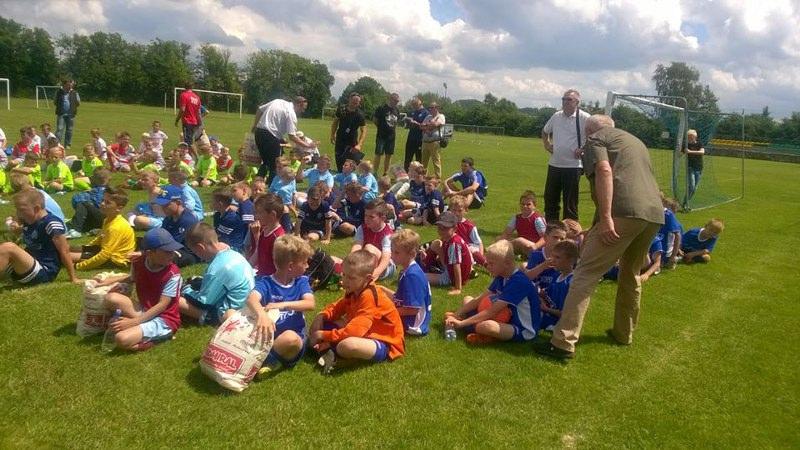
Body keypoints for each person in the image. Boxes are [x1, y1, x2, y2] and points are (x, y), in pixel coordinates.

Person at [535, 114, 664, 360]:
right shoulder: (635, 141)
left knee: (585, 273)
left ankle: (562, 343)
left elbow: (604, 171)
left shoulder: (596, 140)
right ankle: (623, 333)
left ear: (589, 131)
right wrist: (596, 225)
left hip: (622, 212)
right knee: (630, 273)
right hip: (654, 214)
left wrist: (605, 218)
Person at [309, 249, 405, 375]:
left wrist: (322, 335)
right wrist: (322, 316)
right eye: (344, 274)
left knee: (347, 345)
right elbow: (337, 307)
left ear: (367, 278)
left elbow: (353, 332)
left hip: (384, 341)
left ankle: (338, 357)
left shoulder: (369, 296)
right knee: (324, 321)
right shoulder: (355, 288)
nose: (344, 280)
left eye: (351, 278)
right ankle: (329, 350)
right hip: (365, 331)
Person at [96, 228, 183, 351]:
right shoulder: (138, 262)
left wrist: (134, 322)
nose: (172, 255)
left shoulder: (172, 274)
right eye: (167, 251)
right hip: (145, 309)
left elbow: (162, 305)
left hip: (164, 318)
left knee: (121, 339)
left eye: (172, 251)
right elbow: (133, 278)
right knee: (111, 298)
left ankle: (163, 336)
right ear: (150, 253)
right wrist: (114, 283)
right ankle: (135, 327)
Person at [444, 239, 541, 345]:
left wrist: (462, 323)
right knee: (467, 299)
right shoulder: (501, 276)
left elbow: (492, 311)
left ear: (507, 263)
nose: (488, 267)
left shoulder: (518, 282)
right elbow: (479, 299)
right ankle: (474, 326)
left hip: (521, 328)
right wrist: (456, 314)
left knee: (486, 326)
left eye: (491, 264)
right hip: (506, 317)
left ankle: (482, 332)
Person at [245, 235, 316, 374]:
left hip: (291, 340)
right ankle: (259, 359)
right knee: (229, 314)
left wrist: (282, 305)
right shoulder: (266, 282)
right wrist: (262, 315)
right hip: (268, 337)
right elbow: (251, 299)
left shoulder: (301, 281)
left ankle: (266, 361)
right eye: (304, 262)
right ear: (291, 266)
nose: (307, 266)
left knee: (290, 338)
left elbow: (310, 303)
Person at [179, 223, 255, 326]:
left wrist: (185, 289)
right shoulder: (233, 253)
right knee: (200, 281)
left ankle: (207, 317)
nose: (198, 256)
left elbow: (203, 302)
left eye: (196, 252)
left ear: (200, 248)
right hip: (250, 302)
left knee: (178, 302)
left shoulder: (216, 269)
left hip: (232, 312)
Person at [0, 189, 78, 285]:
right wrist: (17, 229)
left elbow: (64, 251)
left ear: (37, 208)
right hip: (30, 265)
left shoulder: (51, 223)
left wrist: (73, 278)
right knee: (5, 249)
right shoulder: (30, 221)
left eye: (21, 210)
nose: (18, 213)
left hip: (44, 270)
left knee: (8, 248)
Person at [541, 89, 590, 222]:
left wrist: (583, 149)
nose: (565, 102)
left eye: (569, 99)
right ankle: (552, 229)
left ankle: (570, 231)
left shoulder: (585, 118)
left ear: (577, 102)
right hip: (555, 164)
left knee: (570, 203)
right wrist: (547, 144)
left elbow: (596, 137)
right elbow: (545, 131)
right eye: (563, 99)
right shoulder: (556, 116)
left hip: (573, 166)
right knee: (550, 199)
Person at [251, 96, 315, 184]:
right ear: (299, 104)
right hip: (271, 136)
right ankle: (272, 189)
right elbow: (292, 136)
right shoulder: (291, 113)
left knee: (265, 162)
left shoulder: (277, 101)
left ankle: (257, 185)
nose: (302, 111)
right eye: (303, 108)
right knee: (275, 166)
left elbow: (260, 110)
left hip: (259, 132)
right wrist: (308, 145)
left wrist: (255, 125)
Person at [70, 187, 135, 271]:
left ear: (119, 208)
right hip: (106, 251)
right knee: (67, 250)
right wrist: (86, 247)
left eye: (107, 202)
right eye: (102, 200)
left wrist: (78, 266)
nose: (102, 204)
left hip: (115, 259)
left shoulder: (116, 227)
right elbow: (100, 238)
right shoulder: (108, 219)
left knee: (66, 256)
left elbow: (105, 255)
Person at [385, 229, 432, 336]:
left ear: (411, 253)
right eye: (392, 251)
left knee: (374, 316)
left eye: (396, 252)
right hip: (408, 316)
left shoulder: (412, 275)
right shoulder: (409, 270)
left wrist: (387, 312)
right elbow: (401, 298)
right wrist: (380, 289)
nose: (392, 255)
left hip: (412, 323)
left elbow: (412, 310)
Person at [424, 211, 473, 296]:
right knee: (436, 244)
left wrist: (458, 288)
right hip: (450, 270)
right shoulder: (451, 238)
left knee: (420, 277)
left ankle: (423, 267)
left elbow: (456, 266)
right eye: (439, 228)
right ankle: (425, 264)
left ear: (455, 228)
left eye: (445, 228)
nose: (441, 231)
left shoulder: (454, 244)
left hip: (450, 277)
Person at [154, 185, 200, 267]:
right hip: (171, 247)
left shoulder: (188, 220)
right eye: (162, 205)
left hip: (187, 253)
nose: (163, 208)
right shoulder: (169, 218)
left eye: (166, 205)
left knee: (164, 255)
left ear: (178, 202)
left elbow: (175, 243)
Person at [538, 240, 579, 330]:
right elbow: (547, 294)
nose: (553, 260)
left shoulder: (571, 282)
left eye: (557, 257)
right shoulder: (557, 275)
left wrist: (545, 309)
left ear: (571, 260)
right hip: (547, 311)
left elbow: (566, 314)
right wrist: (539, 293)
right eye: (552, 256)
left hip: (554, 319)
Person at [351, 199, 395, 281]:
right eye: (365, 215)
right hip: (368, 262)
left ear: (383, 218)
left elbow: (386, 257)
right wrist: (350, 261)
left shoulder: (387, 234)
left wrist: (376, 273)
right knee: (337, 260)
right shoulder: (362, 228)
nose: (366, 219)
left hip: (386, 267)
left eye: (371, 217)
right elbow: (357, 246)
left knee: (369, 247)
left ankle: (366, 275)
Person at [498, 190, 547, 256]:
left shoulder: (537, 219)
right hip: (523, 245)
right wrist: (500, 241)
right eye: (523, 204)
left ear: (534, 206)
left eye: (528, 204)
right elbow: (506, 233)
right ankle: (496, 250)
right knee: (499, 239)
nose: (525, 206)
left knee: (519, 240)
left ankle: (499, 251)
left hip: (536, 247)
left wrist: (535, 247)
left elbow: (545, 238)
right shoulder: (516, 217)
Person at [247, 192, 285, 276]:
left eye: (259, 213)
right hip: (261, 275)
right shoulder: (264, 230)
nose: (256, 216)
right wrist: (246, 269)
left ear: (272, 215)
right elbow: (258, 252)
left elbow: (281, 268)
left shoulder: (278, 238)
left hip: (270, 280)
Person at [524, 222, 568, 290]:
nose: (558, 241)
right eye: (555, 237)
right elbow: (526, 278)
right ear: (545, 237)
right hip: (536, 292)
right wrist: (543, 266)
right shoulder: (536, 255)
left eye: (562, 239)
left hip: (554, 293)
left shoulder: (565, 258)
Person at [330, 92, 367, 172]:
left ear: (359, 103)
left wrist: (359, 144)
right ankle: (341, 175)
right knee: (339, 162)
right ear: (349, 99)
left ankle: (349, 178)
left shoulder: (360, 114)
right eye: (353, 101)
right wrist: (332, 134)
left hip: (352, 141)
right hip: (340, 139)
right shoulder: (341, 109)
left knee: (350, 164)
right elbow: (335, 122)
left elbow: (364, 130)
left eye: (357, 102)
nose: (355, 103)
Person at [68, 169, 110, 236]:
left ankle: (76, 230)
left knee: (82, 202)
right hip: (103, 218)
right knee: (84, 204)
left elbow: (75, 199)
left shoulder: (100, 191)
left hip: (104, 219)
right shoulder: (107, 190)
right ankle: (77, 224)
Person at [372, 93, 400, 176]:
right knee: (378, 154)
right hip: (381, 136)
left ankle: (385, 173)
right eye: (395, 101)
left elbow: (396, 122)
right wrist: (381, 128)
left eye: (398, 101)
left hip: (391, 137)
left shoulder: (397, 110)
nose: (397, 102)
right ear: (390, 99)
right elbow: (375, 120)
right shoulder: (381, 108)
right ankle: (375, 173)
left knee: (389, 155)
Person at [174, 81, 202, 159]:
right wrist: (199, 122)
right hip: (195, 121)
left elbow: (182, 109)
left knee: (188, 142)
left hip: (187, 121)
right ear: (192, 87)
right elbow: (198, 112)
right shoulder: (197, 97)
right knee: (189, 140)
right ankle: (188, 157)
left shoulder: (184, 95)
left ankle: (197, 158)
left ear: (184, 87)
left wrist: (177, 120)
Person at [420, 102, 445, 178]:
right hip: (425, 142)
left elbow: (436, 124)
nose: (430, 109)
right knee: (423, 162)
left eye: (432, 107)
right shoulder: (428, 117)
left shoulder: (441, 116)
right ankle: (423, 177)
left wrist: (426, 125)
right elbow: (421, 126)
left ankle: (438, 178)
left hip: (435, 142)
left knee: (436, 161)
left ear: (437, 108)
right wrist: (429, 126)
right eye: (429, 108)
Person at [403, 97, 428, 170]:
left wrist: (416, 123)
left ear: (420, 103)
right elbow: (409, 125)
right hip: (411, 137)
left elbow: (426, 126)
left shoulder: (426, 113)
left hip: (420, 139)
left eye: (415, 105)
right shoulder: (413, 112)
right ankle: (406, 173)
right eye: (413, 105)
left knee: (419, 158)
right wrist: (408, 122)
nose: (414, 107)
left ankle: (418, 174)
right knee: (408, 157)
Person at [54, 79, 80, 149]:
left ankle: (67, 144)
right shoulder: (59, 92)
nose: (70, 87)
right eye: (68, 85)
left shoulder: (75, 93)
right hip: (61, 114)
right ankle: (57, 144)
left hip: (71, 114)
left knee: (69, 130)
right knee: (59, 129)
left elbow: (78, 102)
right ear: (64, 85)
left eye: (71, 85)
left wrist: (72, 108)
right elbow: (55, 102)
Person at [684, 129, 705, 204]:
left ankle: (685, 202)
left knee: (694, 189)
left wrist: (690, 152)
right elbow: (680, 154)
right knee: (692, 186)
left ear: (695, 137)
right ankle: (685, 204)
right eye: (688, 137)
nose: (690, 138)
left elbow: (702, 152)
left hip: (699, 168)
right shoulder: (686, 145)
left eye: (691, 137)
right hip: (690, 167)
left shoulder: (699, 144)